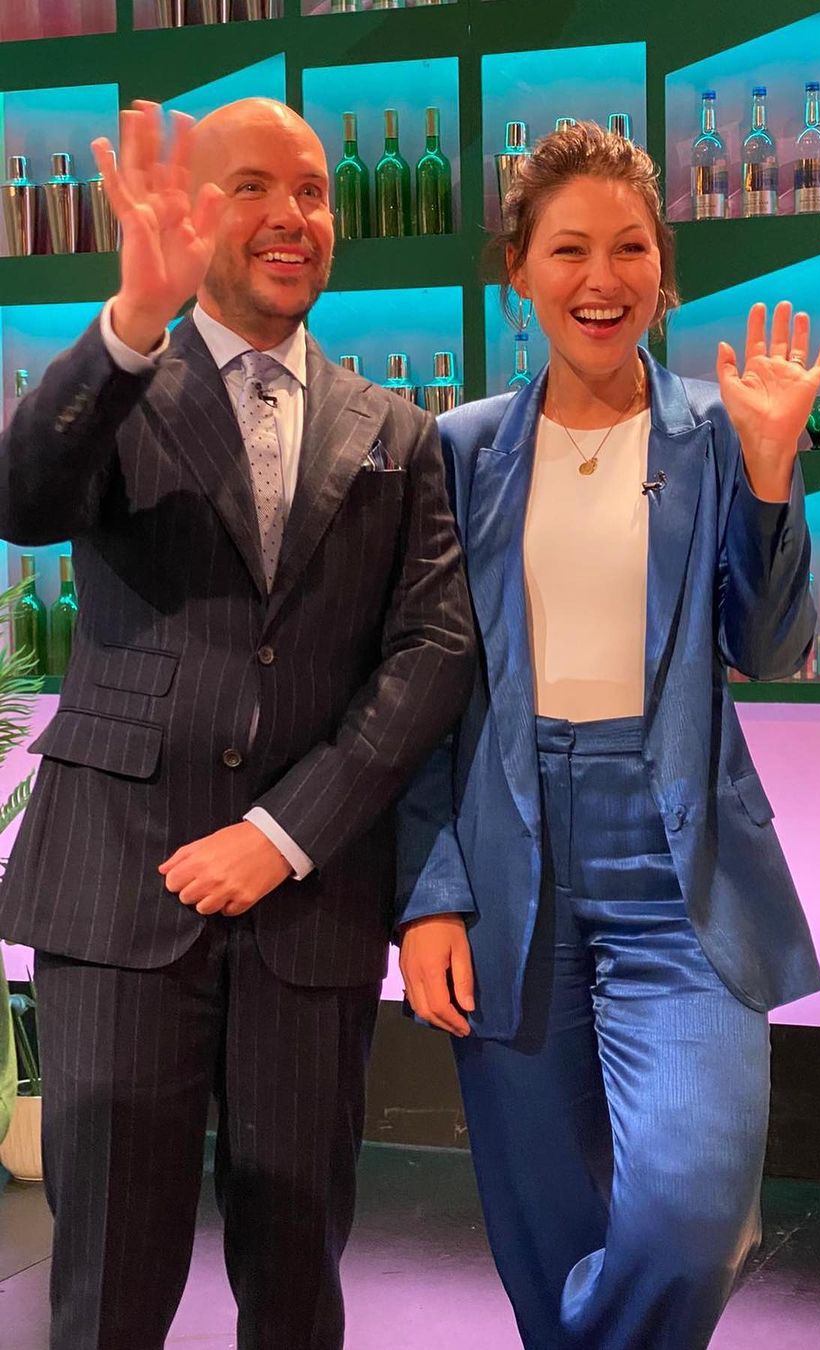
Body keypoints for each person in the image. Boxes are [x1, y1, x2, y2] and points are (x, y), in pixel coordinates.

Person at [0, 97, 474, 1350]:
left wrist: (284, 832)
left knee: (297, 1277)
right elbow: (23, 499)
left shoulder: (399, 434)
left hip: (308, 911)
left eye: (311, 191)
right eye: (252, 187)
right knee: (107, 1284)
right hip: (118, 889)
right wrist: (128, 324)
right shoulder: (125, 386)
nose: (290, 216)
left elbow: (433, 652)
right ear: (193, 213)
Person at [396, 121, 820, 1350]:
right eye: (569, 249)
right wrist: (428, 895)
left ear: (663, 267)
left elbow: (773, 647)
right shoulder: (460, 449)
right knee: (542, 1234)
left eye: (630, 248)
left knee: (689, 1219)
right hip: (506, 858)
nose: (602, 279)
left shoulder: (720, 434)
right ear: (519, 272)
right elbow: (420, 689)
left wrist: (769, 477)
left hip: (680, 863)